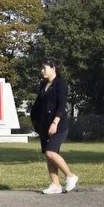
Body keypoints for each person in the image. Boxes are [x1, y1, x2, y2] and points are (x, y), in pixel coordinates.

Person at [30, 58, 78, 195]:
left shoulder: (60, 84)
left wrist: (55, 123)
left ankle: (70, 176)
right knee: (49, 155)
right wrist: (36, 121)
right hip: (44, 125)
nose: (42, 71)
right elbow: (39, 104)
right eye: (41, 68)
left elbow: (61, 105)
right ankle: (55, 184)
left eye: (44, 68)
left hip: (58, 125)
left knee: (51, 152)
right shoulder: (43, 84)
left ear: (53, 68)